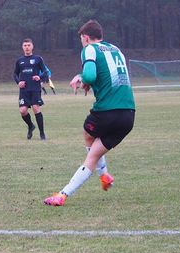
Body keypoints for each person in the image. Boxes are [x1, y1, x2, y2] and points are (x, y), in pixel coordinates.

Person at [44, 20, 135, 206]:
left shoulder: (90, 49)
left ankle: (62, 195)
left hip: (107, 111)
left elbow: (91, 75)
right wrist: (89, 81)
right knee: (90, 137)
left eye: (81, 39)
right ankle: (104, 176)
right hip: (128, 115)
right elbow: (108, 76)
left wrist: (81, 78)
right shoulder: (116, 49)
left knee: (90, 153)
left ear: (85, 37)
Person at [13, 38, 48, 140]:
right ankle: (31, 126)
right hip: (24, 90)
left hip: (35, 88)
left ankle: (42, 133)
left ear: (32, 46)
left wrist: (39, 77)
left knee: (36, 108)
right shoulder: (19, 61)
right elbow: (15, 74)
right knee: (22, 111)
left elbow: (45, 72)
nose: (27, 47)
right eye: (25, 45)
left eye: (28, 45)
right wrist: (18, 82)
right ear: (22, 47)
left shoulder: (38, 59)